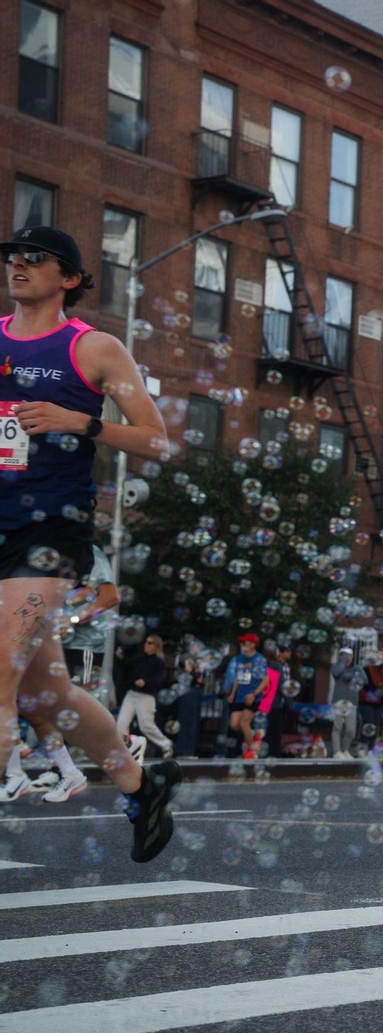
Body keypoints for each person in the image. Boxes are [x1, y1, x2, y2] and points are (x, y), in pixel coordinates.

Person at [0, 225, 179, 860]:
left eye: (34, 258)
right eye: (11, 256)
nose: (17, 265)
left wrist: (83, 421)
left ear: (70, 278)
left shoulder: (92, 347)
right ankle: (140, 784)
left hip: (49, 531)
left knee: (2, 666)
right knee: (47, 692)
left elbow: (156, 438)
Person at [61, 546, 118, 687]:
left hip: (83, 645)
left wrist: (73, 620)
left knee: (76, 699)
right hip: (54, 644)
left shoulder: (90, 552)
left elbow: (111, 596)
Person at [117, 634, 173, 761]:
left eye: (150, 643)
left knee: (146, 725)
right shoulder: (139, 658)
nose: (146, 645)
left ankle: (166, 744)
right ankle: (124, 749)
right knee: (121, 724)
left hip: (146, 696)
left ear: (156, 646)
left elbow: (159, 681)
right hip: (132, 694)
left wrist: (145, 682)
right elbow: (126, 668)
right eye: (146, 642)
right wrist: (120, 657)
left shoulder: (159, 662)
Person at [222, 634, 270, 759]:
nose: (242, 645)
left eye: (245, 642)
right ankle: (252, 734)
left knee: (244, 723)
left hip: (252, 696)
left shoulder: (259, 659)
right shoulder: (239, 659)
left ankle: (250, 751)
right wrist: (233, 693)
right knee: (234, 724)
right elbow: (238, 678)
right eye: (242, 643)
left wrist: (254, 694)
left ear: (253, 644)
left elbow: (265, 680)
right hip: (240, 695)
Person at [328, 645, 364, 759]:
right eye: (344, 655)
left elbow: (365, 680)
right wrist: (343, 661)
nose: (347, 657)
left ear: (352, 656)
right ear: (340, 656)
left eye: (349, 655)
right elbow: (337, 673)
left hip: (351, 702)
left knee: (350, 729)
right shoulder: (335, 666)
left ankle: (345, 749)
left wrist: (354, 674)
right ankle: (337, 751)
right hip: (338, 701)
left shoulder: (356, 668)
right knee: (337, 727)